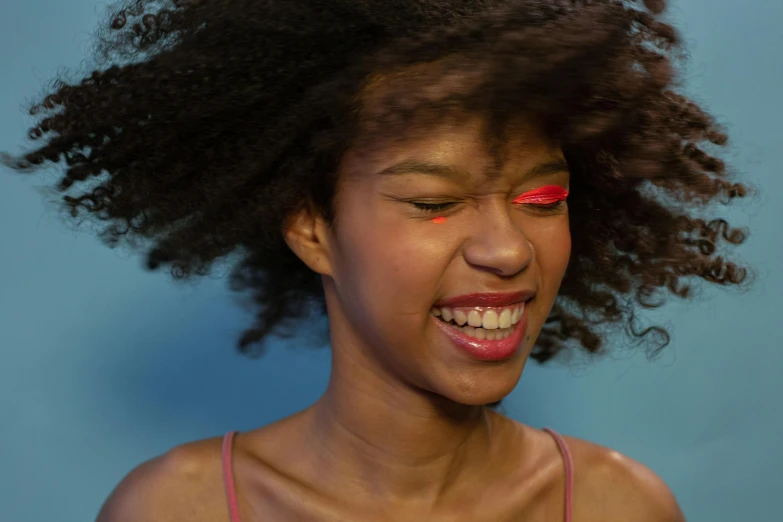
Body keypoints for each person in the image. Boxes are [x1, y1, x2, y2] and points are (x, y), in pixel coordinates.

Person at [3, 0, 750, 520]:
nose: (506, 250)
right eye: (433, 203)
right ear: (311, 228)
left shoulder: (616, 508)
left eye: (541, 198)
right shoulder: (176, 510)